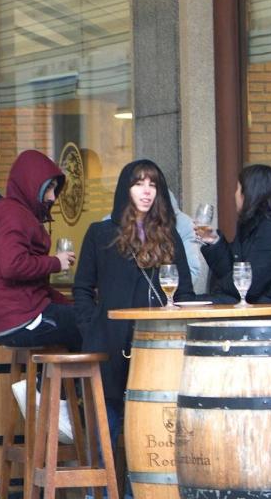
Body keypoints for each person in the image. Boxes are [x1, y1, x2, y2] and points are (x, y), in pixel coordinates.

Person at [73, 159, 194, 441]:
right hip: (111, 345)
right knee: (108, 427)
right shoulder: (100, 234)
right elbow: (82, 288)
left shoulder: (169, 235)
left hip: (156, 346)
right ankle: (101, 488)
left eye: (152, 184)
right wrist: (91, 329)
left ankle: (135, 488)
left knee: (148, 430)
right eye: (138, 183)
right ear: (126, 189)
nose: (146, 191)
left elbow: (186, 291)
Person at [0, 150, 81, 350]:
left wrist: (68, 304)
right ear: (31, 184)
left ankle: (45, 380)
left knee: (81, 318)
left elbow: (35, 287)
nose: (52, 197)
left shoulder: (12, 212)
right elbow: (12, 266)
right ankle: (79, 381)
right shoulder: (13, 213)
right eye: (48, 188)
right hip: (20, 318)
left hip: (7, 319)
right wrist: (56, 262)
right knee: (93, 326)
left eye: (54, 190)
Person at [198, 164, 271, 303]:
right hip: (255, 306)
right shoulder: (252, 224)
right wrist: (213, 241)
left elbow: (250, 284)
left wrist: (218, 287)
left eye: (238, 189)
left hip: (270, 312)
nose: (235, 194)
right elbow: (234, 271)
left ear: (249, 193)